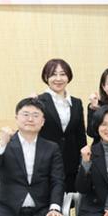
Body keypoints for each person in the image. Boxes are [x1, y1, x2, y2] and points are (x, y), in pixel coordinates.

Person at [37, 58, 87, 192]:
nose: (58, 78)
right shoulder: (38, 101)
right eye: (53, 74)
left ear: (68, 77)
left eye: (63, 74)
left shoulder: (76, 103)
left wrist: (82, 162)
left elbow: (80, 135)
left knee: (70, 200)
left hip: (71, 164)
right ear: (46, 77)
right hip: (45, 164)